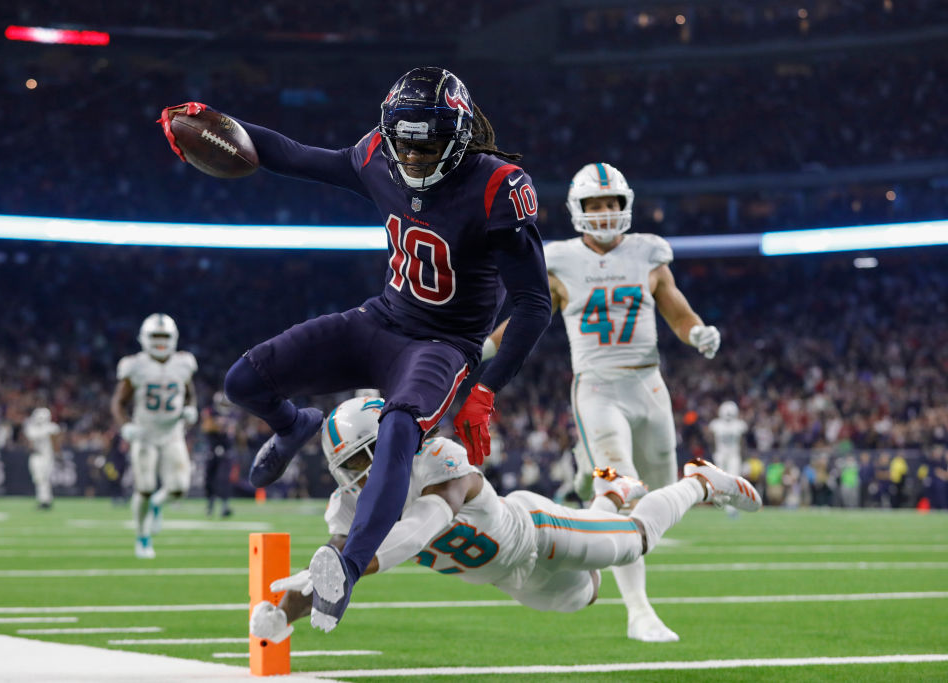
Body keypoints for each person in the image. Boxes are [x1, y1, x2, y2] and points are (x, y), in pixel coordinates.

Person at [159, 66, 552, 629]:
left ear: (461, 136)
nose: (414, 157)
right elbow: (291, 154)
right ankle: (295, 425)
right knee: (244, 382)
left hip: (443, 344)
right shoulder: (375, 156)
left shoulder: (496, 185)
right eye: (405, 143)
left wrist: (486, 389)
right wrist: (218, 124)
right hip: (380, 320)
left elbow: (535, 303)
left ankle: (346, 566)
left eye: (429, 143)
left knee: (398, 428)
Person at [249, 396, 760, 642]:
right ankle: (608, 496)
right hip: (507, 578)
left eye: (375, 454)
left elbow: (423, 525)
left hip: (537, 533)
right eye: (357, 463)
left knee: (633, 542)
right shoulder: (346, 505)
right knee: (588, 594)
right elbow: (330, 571)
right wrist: (282, 613)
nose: (370, 471)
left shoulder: (440, 459)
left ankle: (700, 481)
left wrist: (352, 564)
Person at [485, 162, 722, 642]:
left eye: (613, 203)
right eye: (596, 204)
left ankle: (582, 471)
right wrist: (484, 348)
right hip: (596, 388)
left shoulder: (647, 252)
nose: (606, 211)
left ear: (626, 205)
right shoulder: (561, 260)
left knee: (658, 492)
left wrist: (695, 330)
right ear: (579, 210)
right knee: (626, 488)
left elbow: (672, 303)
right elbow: (528, 317)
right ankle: (638, 612)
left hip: (650, 387)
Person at [111, 313, 199, 559]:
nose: (160, 342)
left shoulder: (183, 363)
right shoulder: (135, 365)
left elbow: (189, 392)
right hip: (145, 433)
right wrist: (125, 425)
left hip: (172, 432)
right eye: (155, 337)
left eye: (165, 337)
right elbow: (118, 402)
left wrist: (191, 407)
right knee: (145, 488)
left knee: (179, 488)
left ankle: (157, 507)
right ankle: (142, 538)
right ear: (144, 338)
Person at [708, 400, 749, 516]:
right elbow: (711, 441)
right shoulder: (716, 424)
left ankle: (731, 507)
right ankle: (724, 503)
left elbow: (742, 443)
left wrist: (744, 458)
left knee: (733, 480)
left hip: (733, 456)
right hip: (721, 455)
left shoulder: (739, 425)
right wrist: (713, 453)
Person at [202, 392, 236, 517]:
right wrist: (219, 425)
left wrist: (221, 424)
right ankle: (210, 505)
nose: (225, 406)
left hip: (226, 452)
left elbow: (231, 431)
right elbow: (207, 427)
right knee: (209, 479)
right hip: (212, 451)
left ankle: (225, 506)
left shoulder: (232, 414)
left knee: (224, 480)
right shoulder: (210, 412)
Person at [22, 407, 61, 509]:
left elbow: (56, 443)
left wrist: (57, 454)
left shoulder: (51, 428)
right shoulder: (31, 428)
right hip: (37, 456)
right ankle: (45, 499)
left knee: (44, 479)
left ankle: (45, 500)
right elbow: (29, 444)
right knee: (39, 479)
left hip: (47, 456)